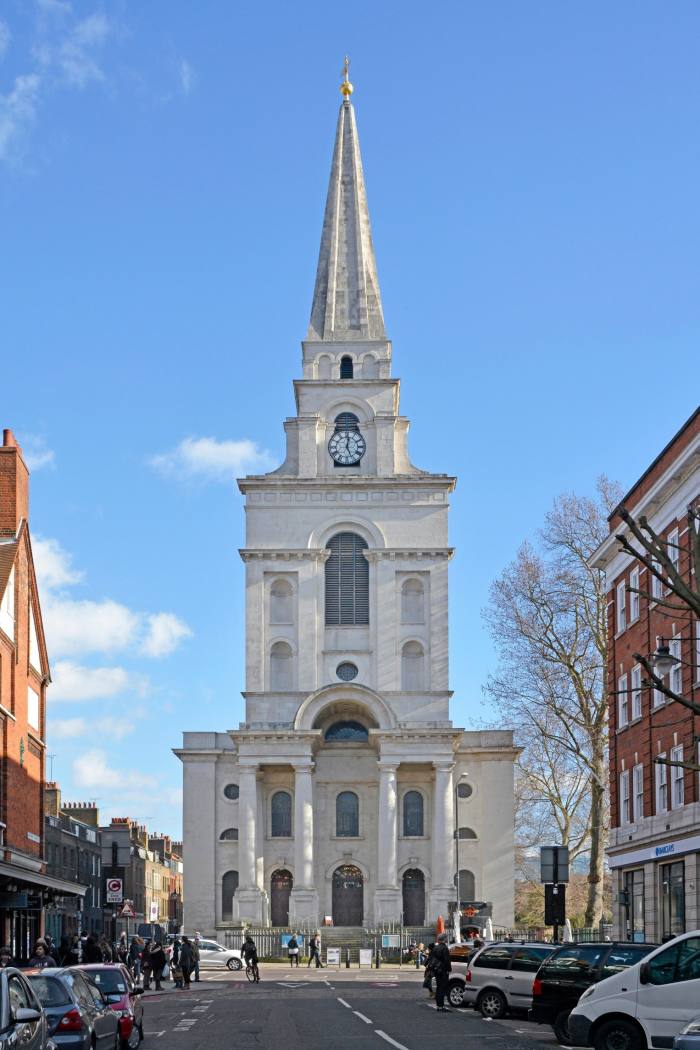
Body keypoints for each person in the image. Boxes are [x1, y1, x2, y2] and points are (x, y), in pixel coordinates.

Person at [431, 932, 452, 1012]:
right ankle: (441, 1006)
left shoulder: (436, 947)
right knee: (442, 988)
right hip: (443, 970)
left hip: (436, 970)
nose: (447, 940)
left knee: (439, 987)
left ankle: (439, 1006)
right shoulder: (444, 948)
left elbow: (432, 959)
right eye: (446, 938)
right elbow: (447, 960)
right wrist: (449, 969)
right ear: (444, 939)